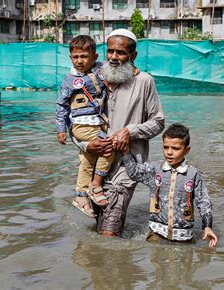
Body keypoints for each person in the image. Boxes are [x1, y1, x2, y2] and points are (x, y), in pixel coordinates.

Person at [74, 29, 165, 237]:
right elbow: (76, 119)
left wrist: (130, 131)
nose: (114, 57)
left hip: (126, 165)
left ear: (133, 56)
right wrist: (86, 145)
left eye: (121, 53)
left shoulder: (144, 81)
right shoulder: (94, 79)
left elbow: (158, 122)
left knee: (109, 233)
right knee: (98, 226)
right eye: (110, 51)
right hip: (93, 162)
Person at [121, 124, 218, 247]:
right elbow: (134, 172)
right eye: (166, 147)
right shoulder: (155, 169)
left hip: (184, 237)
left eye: (175, 148)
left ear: (186, 150)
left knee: (186, 263)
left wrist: (207, 227)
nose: (169, 152)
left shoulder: (193, 174)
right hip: (156, 234)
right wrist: (126, 153)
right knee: (157, 261)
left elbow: (203, 202)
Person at [55, 35, 114, 218]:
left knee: (87, 161)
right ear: (71, 58)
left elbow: (117, 67)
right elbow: (61, 105)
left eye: (84, 56)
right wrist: (61, 129)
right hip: (82, 125)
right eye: (75, 57)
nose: (80, 61)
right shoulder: (69, 80)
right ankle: (96, 186)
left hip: (99, 123)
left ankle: (80, 197)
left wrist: (133, 70)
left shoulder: (101, 70)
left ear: (94, 57)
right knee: (109, 148)